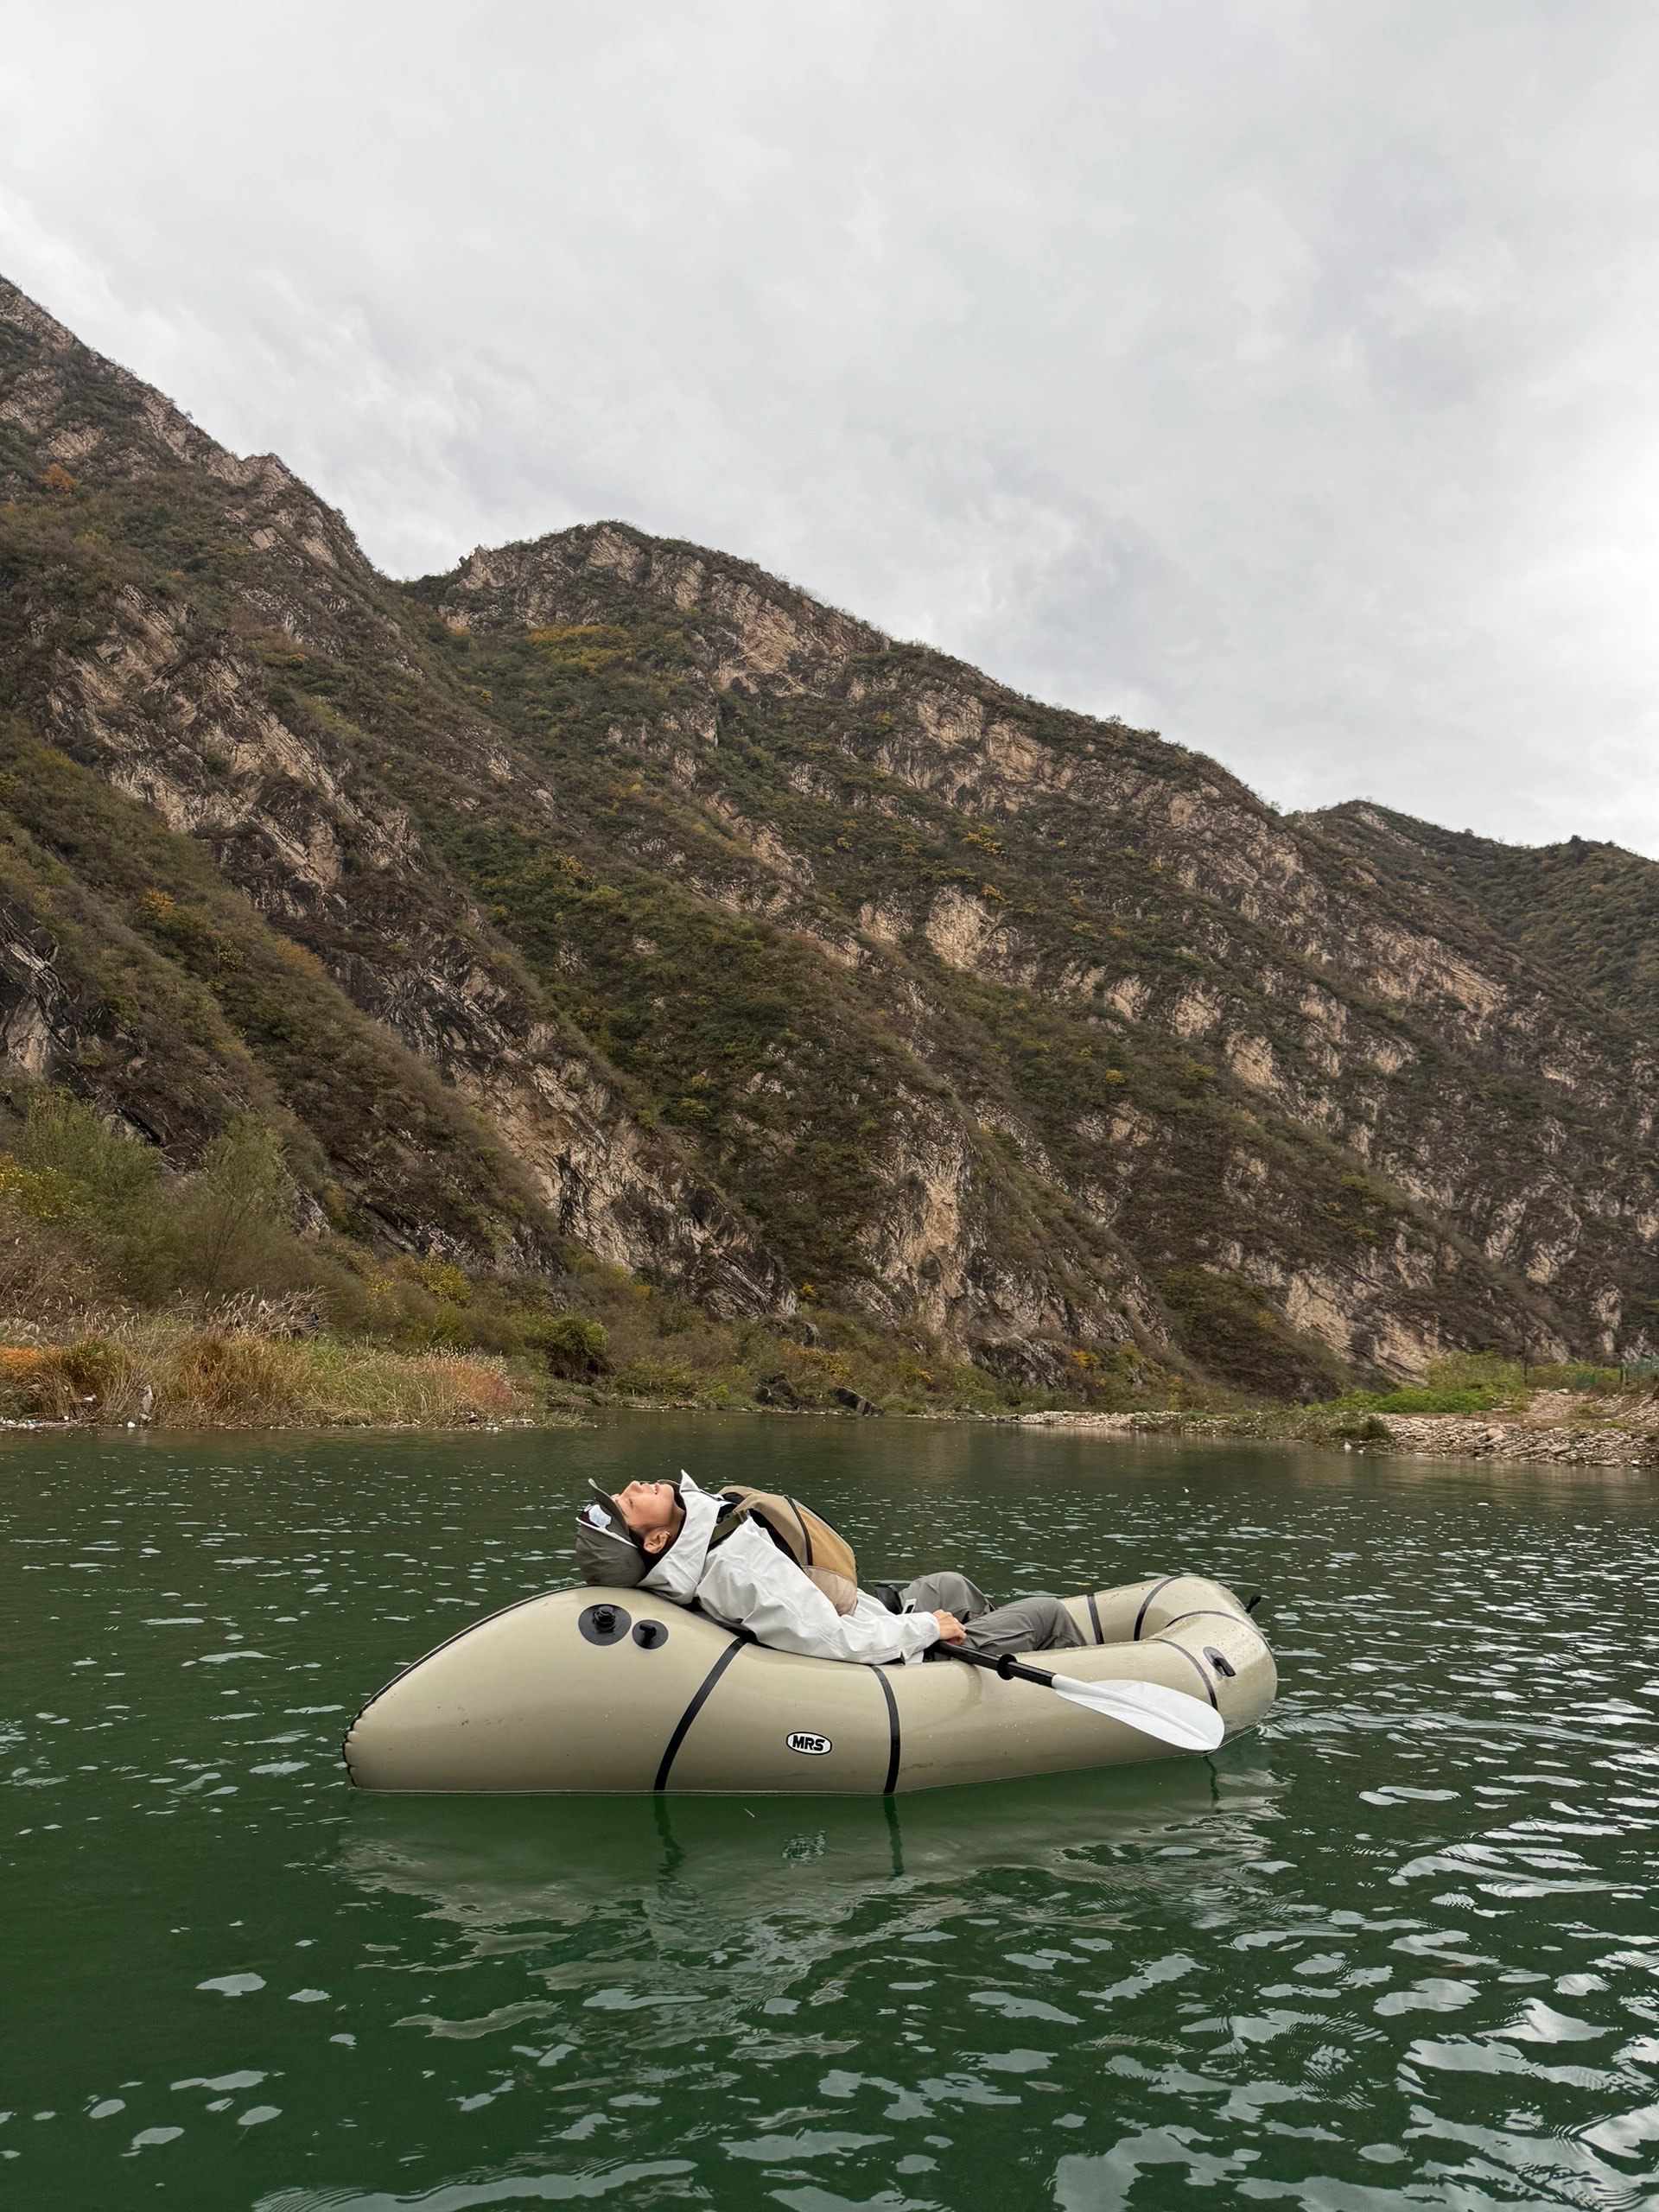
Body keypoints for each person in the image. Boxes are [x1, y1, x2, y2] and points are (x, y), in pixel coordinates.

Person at [573, 1470, 1086, 1666]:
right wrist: (927, 1627)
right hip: (891, 1658)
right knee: (1047, 1614)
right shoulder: (731, 1568)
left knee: (949, 1585)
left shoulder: (708, 1540)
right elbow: (832, 1642)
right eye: (627, 1502)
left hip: (869, 1619)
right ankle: (985, 1667)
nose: (635, 1486)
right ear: (658, 1538)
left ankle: (986, 1654)